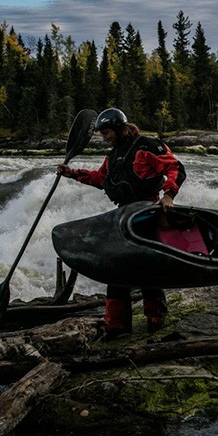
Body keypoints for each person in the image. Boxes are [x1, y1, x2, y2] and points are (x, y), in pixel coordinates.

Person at [57, 107, 186, 335]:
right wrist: (73, 173)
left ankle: (155, 321)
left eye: (106, 132)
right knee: (116, 270)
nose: (104, 137)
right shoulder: (114, 155)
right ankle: (116, 326)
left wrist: (169, 195)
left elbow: (175, 168)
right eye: (102, 133)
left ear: (118, 128)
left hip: (147, 212)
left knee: (147, 268)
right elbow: (101, 179)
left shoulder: (147, 146)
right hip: (122, 216)